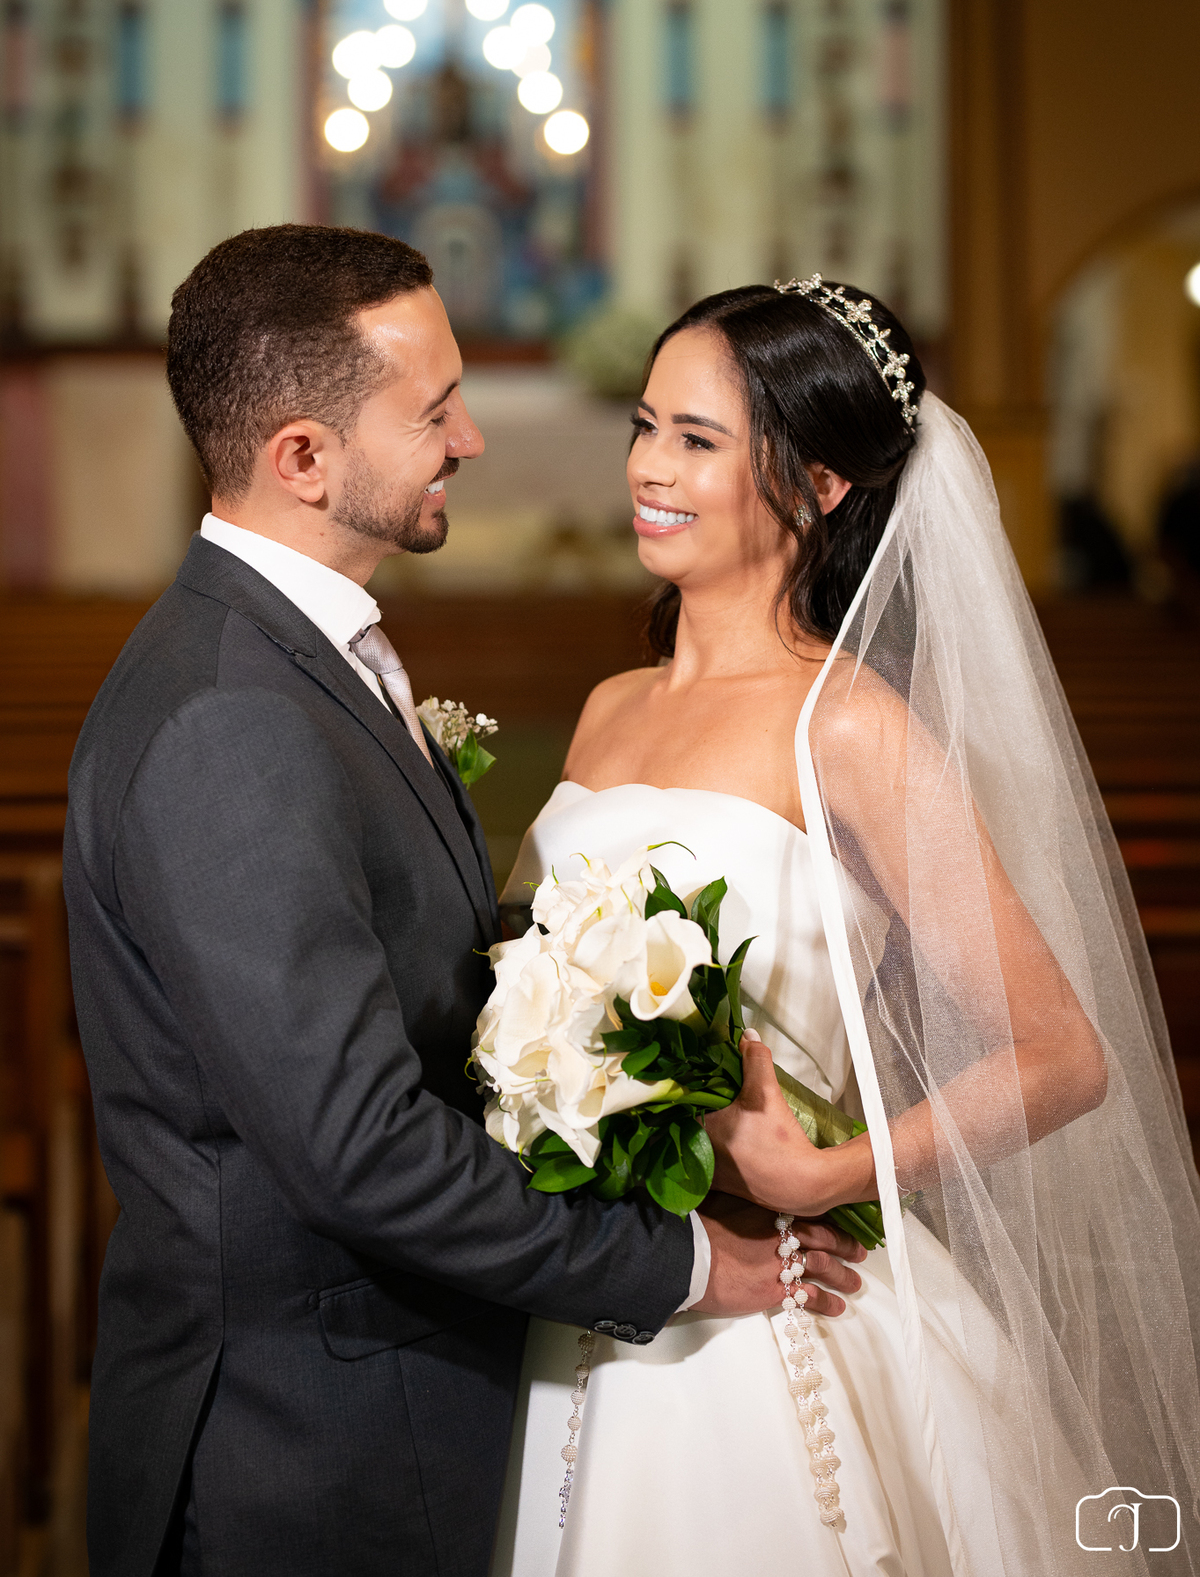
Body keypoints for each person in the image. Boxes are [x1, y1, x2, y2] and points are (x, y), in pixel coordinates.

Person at [64, 228, 867, 1577]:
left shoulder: (296, 659)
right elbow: (359, 1144)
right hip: (307, 1442)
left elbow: (425, 981)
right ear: (304, 457)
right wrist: (678, 1266)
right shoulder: (229, 718)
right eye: (433, 410)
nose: (472, 438)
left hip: (413, 1380)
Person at [492, 280, 1200, 1577]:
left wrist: (826, 1175)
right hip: (596, 1274)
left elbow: (1061, 1053)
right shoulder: (608, 707)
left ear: (818, 487)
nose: (649, 468)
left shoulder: (853, 727)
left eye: (697, 440)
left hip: (767, 1311)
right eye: (645, 426)